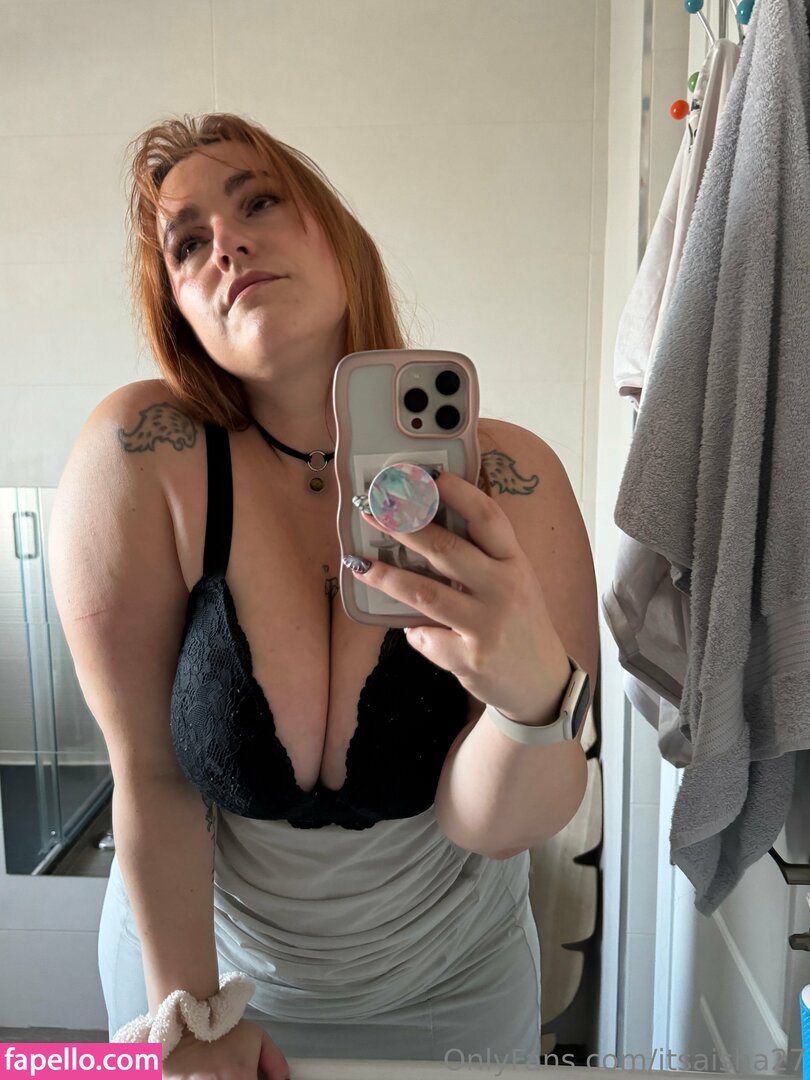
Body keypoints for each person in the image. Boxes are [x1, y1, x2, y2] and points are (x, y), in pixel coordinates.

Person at [49, 112, 599, 1079]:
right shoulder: (145, 457)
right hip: (199, 973)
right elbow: (151, 775)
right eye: (187, 244)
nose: (226, 242)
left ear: (338, 237)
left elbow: (501, 826)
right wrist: (190, 1020)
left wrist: (529, 699)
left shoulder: (511, 480)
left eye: (259, 201)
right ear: (179, 312)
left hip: (453, 989)